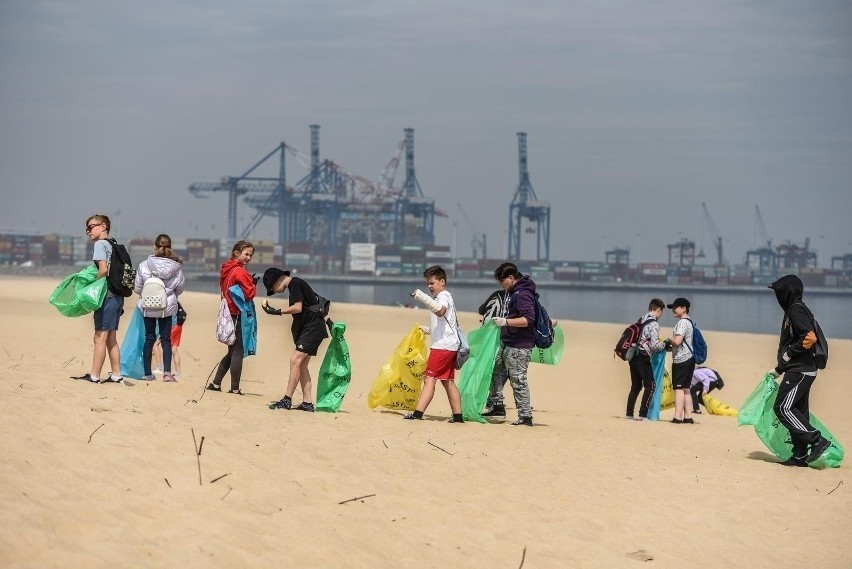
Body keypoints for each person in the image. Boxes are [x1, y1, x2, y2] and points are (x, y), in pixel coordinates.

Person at [768, 274, 832, 466]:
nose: (777, 296)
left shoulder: (796, 310)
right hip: (799, 368)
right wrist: (780, 369)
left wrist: (787, 355)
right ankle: (800, 455)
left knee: (782, 407)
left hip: (801, 369)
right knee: (798, 410)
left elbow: (809, 337)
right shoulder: (794, 310)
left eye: (778, 291)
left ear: (787, 292)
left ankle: (816, 440)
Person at [262, 268, 329, 412]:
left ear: (276, 280)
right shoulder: (297, 284)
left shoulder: (295, 284)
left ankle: (287, 399)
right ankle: (307, 403)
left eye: (272, 288)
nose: (274, 291)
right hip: (314, 329)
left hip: (312, 329)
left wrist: (276, 311)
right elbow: (315, 305)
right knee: (302, 365)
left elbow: (297, 308)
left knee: (295, 360)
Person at [403, 265, 463, 423]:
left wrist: (421, 297)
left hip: (442, 347)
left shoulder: (443, 296)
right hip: (449, 345)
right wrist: (429, 330)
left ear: (442, 282)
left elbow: (441, 311)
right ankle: (458, 416)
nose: (429, 286)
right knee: (447, 381)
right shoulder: (444, 297)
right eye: (428, 284)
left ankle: (417, 414)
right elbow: (446, 322)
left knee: (429, 379)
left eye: (432, 283)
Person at [483, 262, 536, 426]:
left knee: (518, 380)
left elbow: (528, 319)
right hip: (507, 342)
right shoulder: (512, 292)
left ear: (511, 278)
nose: (501, 285)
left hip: (519, 345)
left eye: (502, 281)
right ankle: (497, 405)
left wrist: (506, 322)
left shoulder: (522, 294)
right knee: (495, 371)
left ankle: (525, 416)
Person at [77, 214, 124, 384]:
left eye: (90, 226)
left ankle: (94, 375)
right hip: (118, 296)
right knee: (111, 337)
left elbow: (103, 270)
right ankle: (116, 374)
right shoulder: (114, 244)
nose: (87, 231)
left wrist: (93, 287)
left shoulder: (100, 245)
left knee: (99, 337)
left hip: (107, 296)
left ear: (103, 226)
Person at [207, 240, 257, 395]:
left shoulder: (227, 269)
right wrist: (253, 284)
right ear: (237, 253)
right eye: (246, 254)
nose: (248, 257)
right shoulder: (240, 272)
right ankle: (235, 388)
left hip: (227, 312)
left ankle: (216, 384)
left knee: (231, 351)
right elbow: (249, 294)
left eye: (251, 255)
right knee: (238, 352)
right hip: (237, 313)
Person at [133, 234, 185, 382]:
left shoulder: (144, 265)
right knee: (166, 339)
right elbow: (180, 289)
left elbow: (137, 288)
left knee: (149, 338)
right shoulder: (176, 267)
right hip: (167, 306)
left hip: (148, 305)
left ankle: (148, 374)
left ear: (155, 247)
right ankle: (167, 374)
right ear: (170, 247)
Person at [625, 298, 668, 421]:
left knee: (636, 386)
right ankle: (643, 415)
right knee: (651, 385)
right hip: (643, 357)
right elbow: (654, 345)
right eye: (661, 312)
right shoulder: (654, 324)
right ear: (658, 310)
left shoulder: (641, 319)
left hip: (633, 356)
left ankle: (629, 414)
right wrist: (664, 344)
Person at [666, 297, 696, 424]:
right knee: (686, 389)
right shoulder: (690, 322)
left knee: (678, 388)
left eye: (675, 307)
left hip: (681, 359)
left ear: (683, 308)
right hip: (690, 358)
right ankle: (688, 416)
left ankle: (677, 417)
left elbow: (677, 341)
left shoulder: (682, 323)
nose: (673, 310)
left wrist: (668, 339)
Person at [170, 302, 187, 377]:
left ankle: (162, 368)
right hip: (179, 326)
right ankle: (178, 371)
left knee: (157, 344)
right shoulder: (176, 302)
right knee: (174, 350)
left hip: (173, 326)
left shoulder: (170, 301)